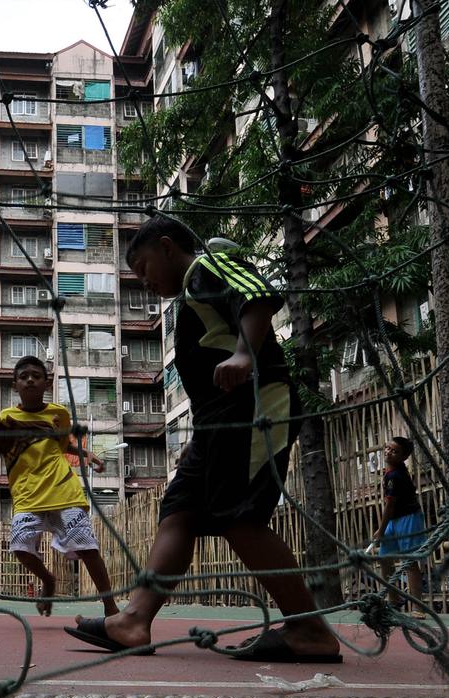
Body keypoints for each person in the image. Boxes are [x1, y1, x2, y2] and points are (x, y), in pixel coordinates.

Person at [66, 214, 341, 662]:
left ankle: (310, 630)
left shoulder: (207, 267)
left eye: (144, 268)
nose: (145, 281)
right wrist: (200, 434)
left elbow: (256, 297)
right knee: (179, 512)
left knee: (239, 516)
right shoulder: (191, 295)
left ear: (169, 246)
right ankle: (135, 620)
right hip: (216, 423)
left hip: (254, 408)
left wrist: (243, 354)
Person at [0, 355, 116, 618]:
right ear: (14, 385)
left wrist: (87, 454)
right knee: (20, 547)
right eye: (24, 376)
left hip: (63, 490)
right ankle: (48, 581)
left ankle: (111, 608)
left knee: (88, 548)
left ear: (46, 384)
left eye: (36, 376)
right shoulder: (5, 420)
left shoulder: (58, 414)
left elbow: (60, 445)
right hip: (27, 495)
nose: (29, 379)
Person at [371, 436, 427, 618]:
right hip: (395, 520)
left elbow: (390, 505)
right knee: (385, 559)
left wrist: (381, 529)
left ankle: (417, 607)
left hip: (408, 518)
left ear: (403, 457)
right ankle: (393, 601)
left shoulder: (395, 475)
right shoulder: (392, 471)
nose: (388, 452)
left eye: (394, 451)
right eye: (387, 448)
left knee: (409, 562)